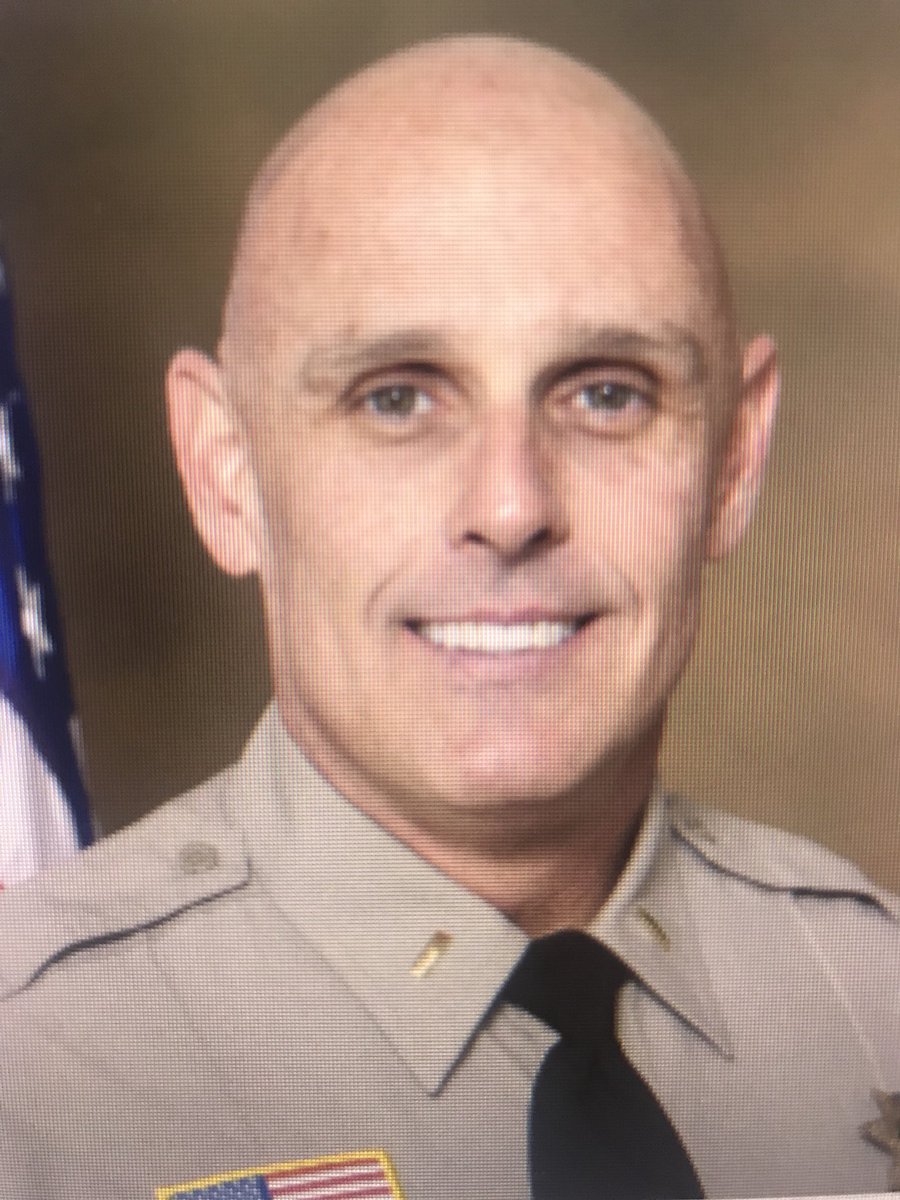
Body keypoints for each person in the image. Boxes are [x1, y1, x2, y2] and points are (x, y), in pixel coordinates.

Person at [0, 35, 898, 1200]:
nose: (511, 508)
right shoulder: (30, 1075)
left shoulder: (872, 1001)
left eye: (607, 393)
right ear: (226, 473)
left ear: (732, 458)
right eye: (396, 399)